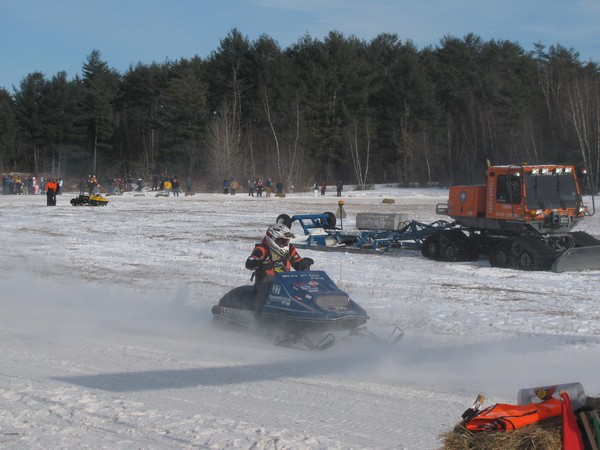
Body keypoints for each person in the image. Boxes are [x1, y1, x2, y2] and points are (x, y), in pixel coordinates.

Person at [245, 223, 314, 318]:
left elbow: (298, 264)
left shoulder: (289, 249)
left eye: (286, 241)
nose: (284, 244)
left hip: (286, 282)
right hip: (265, 283)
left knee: (303, 285)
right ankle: (258, 317)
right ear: (272, 239)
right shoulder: (261, 249)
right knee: (268, 284)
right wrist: (259, 262)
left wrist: (304, 263)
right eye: (281, 241)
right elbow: (250, 262)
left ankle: (308, 310)